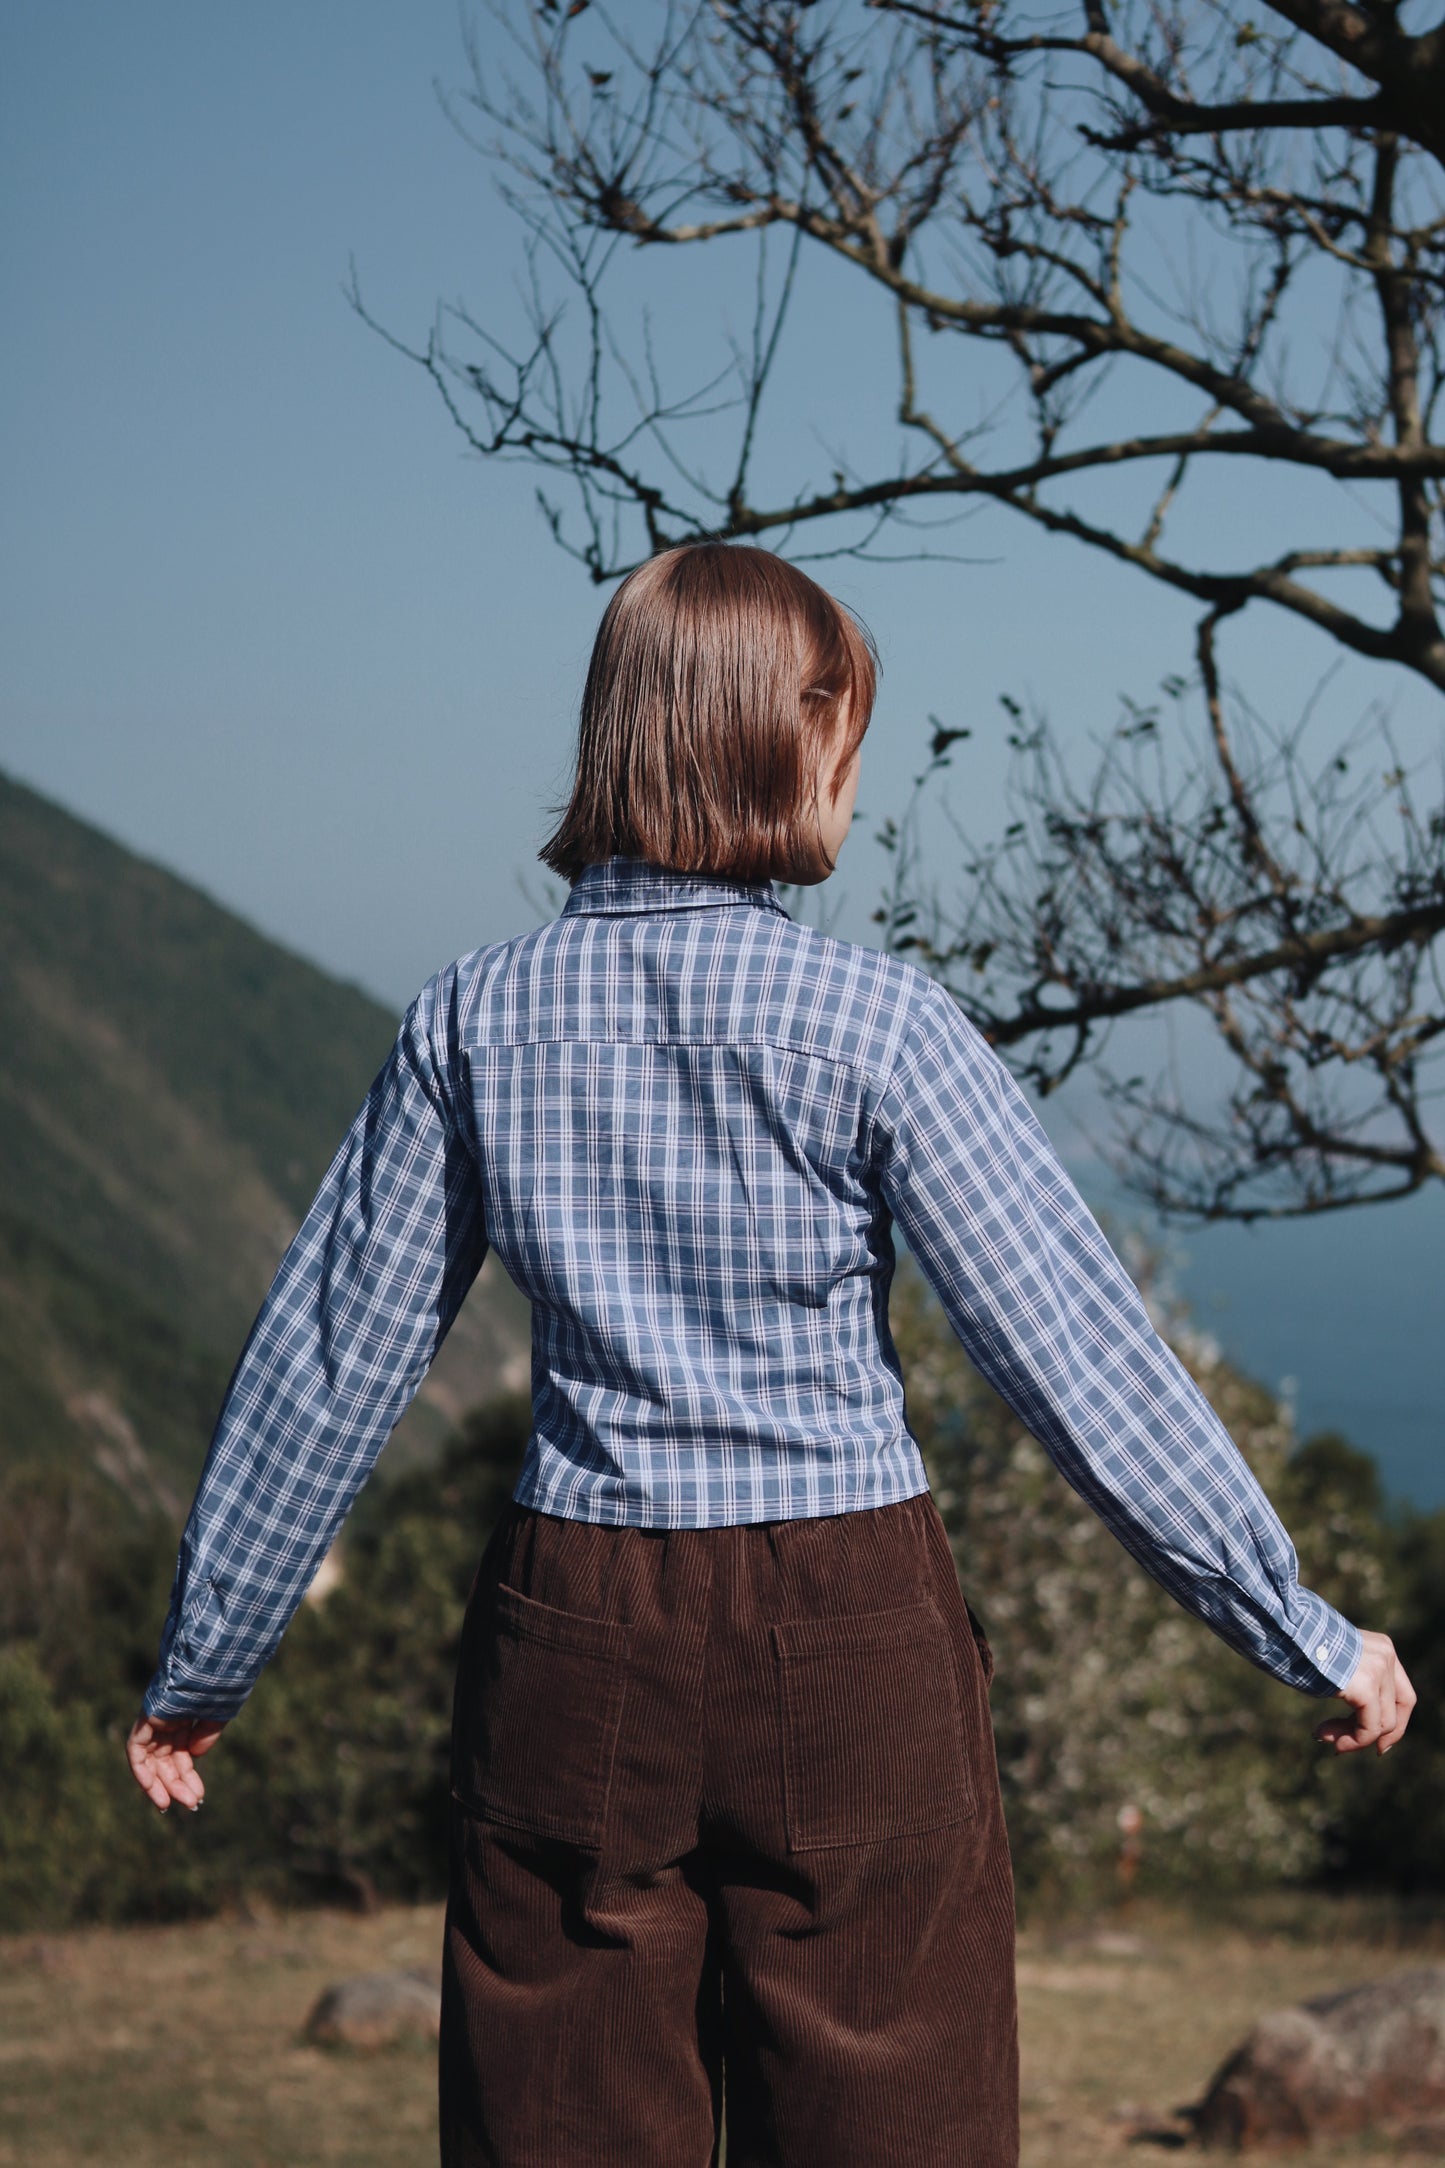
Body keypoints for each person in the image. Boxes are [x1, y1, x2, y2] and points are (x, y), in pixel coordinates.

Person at [127, 541, 1415, 2167]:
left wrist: (206, 1663)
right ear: (784, 732)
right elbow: (1080, 1364)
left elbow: (330, 1359)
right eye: (845, 733)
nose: (851, 777)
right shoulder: (885, 1029)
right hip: (851, 1624)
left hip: (575, 1625)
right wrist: (1297, 1625)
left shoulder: (469, 1023)